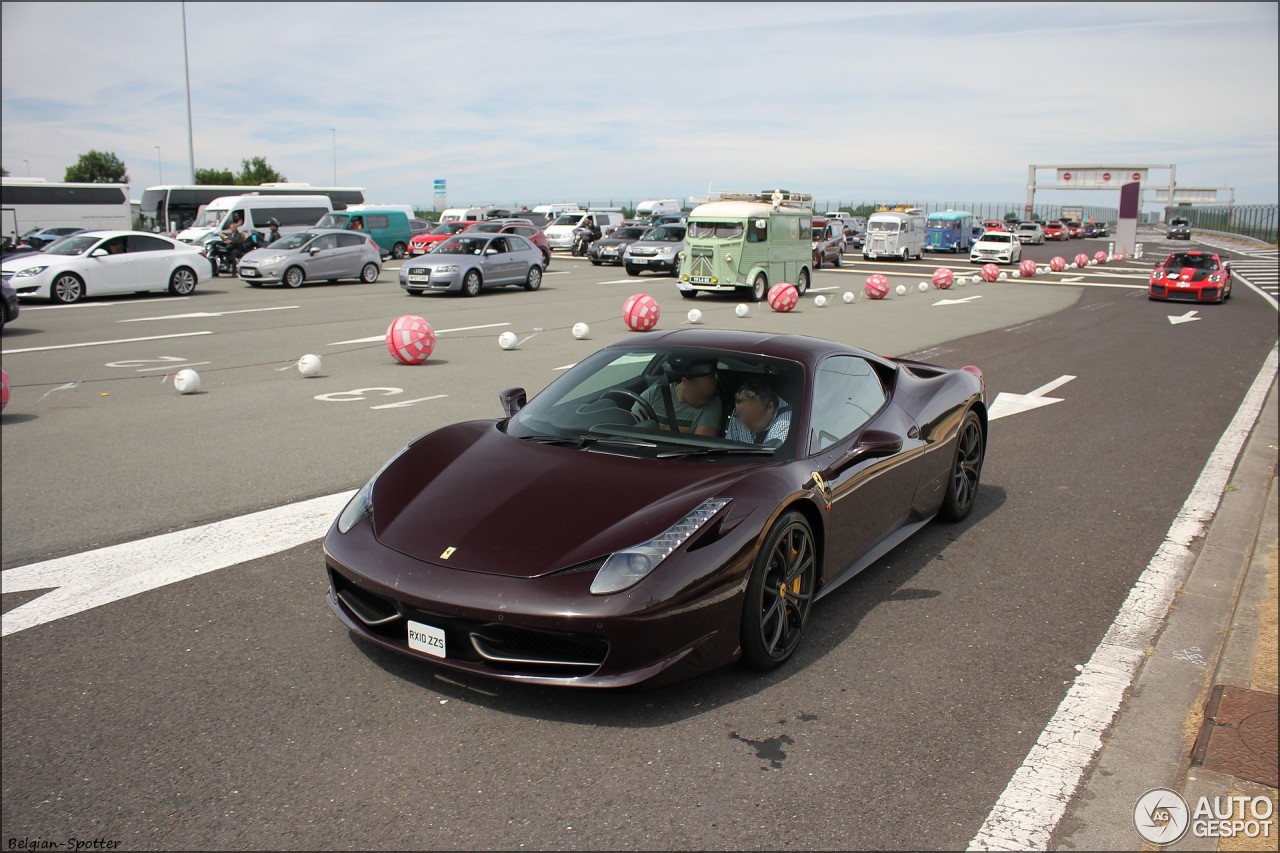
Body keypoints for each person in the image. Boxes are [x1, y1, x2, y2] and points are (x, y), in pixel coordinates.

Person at [633, 357, 722, 436]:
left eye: (709, 395)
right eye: (702, 395)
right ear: (685, 380)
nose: (705, 401)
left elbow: (700, 446)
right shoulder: (653, 395)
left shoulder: (712, 404)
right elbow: (631, 427)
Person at [725, 377, 790, 447]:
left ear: (770, 407)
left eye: (751, 417)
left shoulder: (785, 421)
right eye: (740, 416)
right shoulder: (739, 413)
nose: (743, 424)